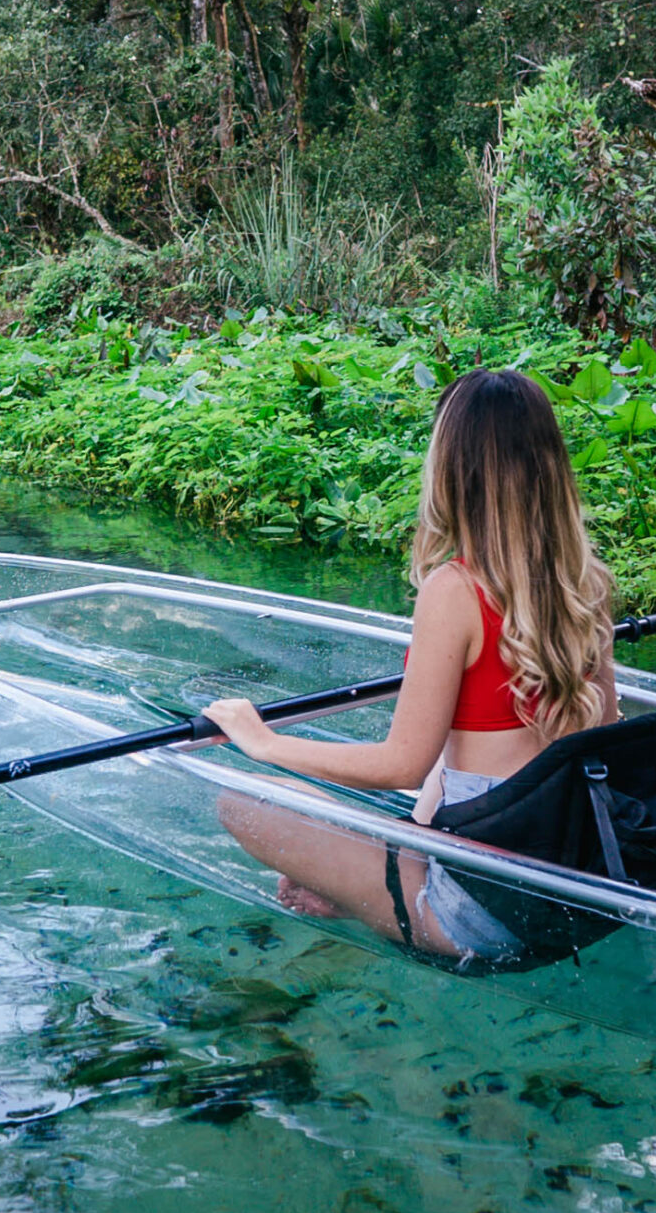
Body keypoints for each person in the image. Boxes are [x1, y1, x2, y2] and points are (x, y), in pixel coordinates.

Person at [204, 369, 620, 963]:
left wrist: (263, 742)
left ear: (453, 471)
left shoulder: (456, 590)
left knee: (239, 797)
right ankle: (369, 893)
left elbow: (402, 762)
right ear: (549, 464)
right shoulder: (586, 584)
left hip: (476, 916)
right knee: (441, 775)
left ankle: (383, 904)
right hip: (565, 898)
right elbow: (598, 742)